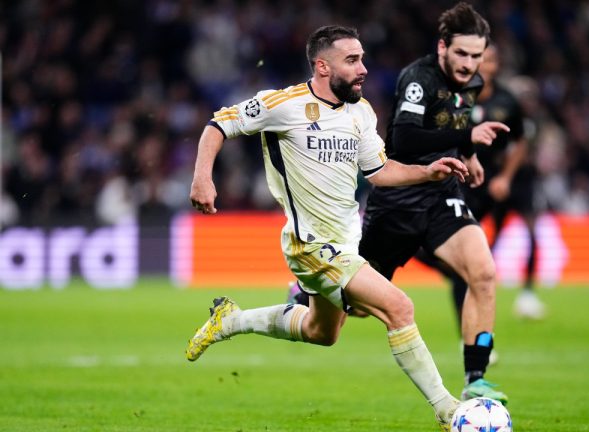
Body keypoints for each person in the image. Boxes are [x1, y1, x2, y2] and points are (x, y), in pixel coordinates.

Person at [186, 25, 469, 430]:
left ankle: (230, 321)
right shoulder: (283, 104)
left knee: (323, 332)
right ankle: (448, 410)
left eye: (362, 59)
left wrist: (428, 172)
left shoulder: (360, 112)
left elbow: (380, 170)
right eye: (352, 60)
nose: (363, 69)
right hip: (309, 245)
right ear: (322, 66)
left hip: (346, 244)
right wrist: (202, 179)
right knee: (399, 307)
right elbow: (218, 125)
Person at [359, 3, 510, 404]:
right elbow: (405, 141)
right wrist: (468, 136)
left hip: (443, 196)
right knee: (353, 310)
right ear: (442, 46)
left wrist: (470, 155)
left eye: (476, 56)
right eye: (461, 53)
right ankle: (306, 295)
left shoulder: (471, 83)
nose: (469, 64)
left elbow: (452, 128)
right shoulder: (418, 79)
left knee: (483, 272)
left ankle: (476, 378)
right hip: (397, 200)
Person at [428, 43, 545, 325]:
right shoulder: (455, 97)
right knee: (456, 251)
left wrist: (505, 176)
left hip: (496, 179)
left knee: (526, 231)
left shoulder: (507, 101)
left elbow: (521, 141)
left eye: (490, 59)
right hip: (462, 181)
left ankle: (526, 292)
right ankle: (465, 323)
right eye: (481, 59)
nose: (486, 64)